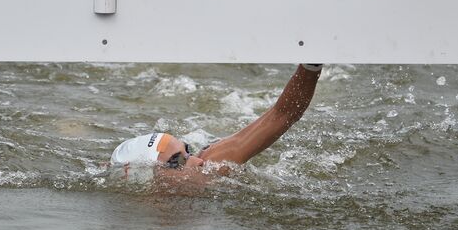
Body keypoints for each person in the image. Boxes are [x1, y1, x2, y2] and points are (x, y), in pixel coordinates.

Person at [110, 64, 322, 181]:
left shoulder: (213, 166)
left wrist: (312, 64)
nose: (199, 161)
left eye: (189, 152)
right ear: (147, 177)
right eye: (178, 162)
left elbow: (283, 114)